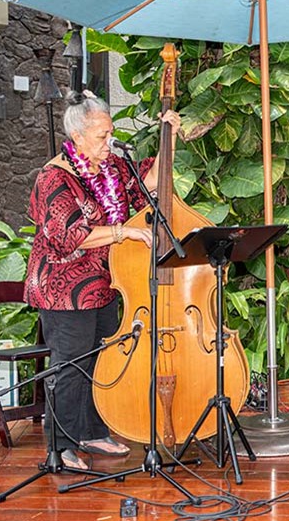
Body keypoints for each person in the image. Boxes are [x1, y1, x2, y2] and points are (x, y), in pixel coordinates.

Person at [24, 90, 180, 470]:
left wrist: (169, 138)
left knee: (101, 361)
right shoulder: (54, 177)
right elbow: (68, 236)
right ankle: (61, 447)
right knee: (70, 365)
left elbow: (151, 183)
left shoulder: (110, 167)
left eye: (111, 133)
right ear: (77, 136)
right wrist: (123, 232)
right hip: (64, 290)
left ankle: (93, 433)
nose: (109, 141)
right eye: (102, 135)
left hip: (106, 285)